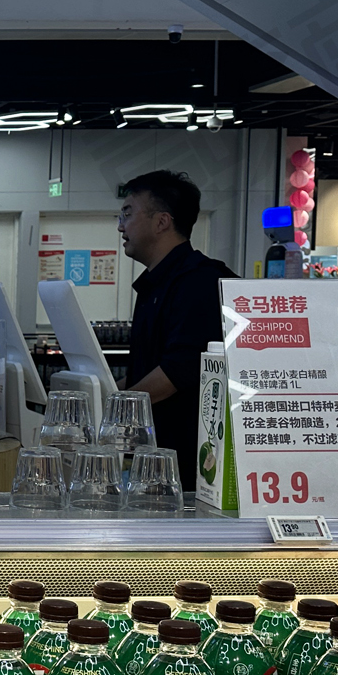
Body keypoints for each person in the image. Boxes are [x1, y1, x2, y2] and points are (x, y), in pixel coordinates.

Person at [116, 169, 236, 488]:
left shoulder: (199, 281)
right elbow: (150, 367)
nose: (120, 226)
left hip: (189, 470)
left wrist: (116, 407)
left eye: (127, 213)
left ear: (161, 222)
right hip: (155, 461)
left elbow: (177, 371)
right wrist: (102, 389)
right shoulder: (155, 285)